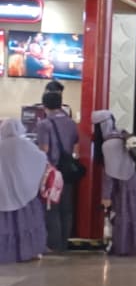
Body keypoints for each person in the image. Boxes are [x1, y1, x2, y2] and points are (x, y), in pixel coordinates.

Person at [92, 111, 136, 256]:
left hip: (125, 183)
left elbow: (110, 173)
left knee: (124, 215)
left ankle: (124, 247)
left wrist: (106, 196)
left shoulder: (109, 144)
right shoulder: (122, 133)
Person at [0, 118, 49, 263]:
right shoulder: (25, 145)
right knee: (27, 223)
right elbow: (41, 158)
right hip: (24, 191)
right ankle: (30, 252)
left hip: (3, 191)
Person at [35, 90, 79, 251]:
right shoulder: (71, 123)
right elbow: (76, 146)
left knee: (51, 207)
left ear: (44, 105)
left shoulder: (44, 124)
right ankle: (64, 244)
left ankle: (54, 245)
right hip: (68, 170)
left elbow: (44, 149)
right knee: (66, 208)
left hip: (51, 171)